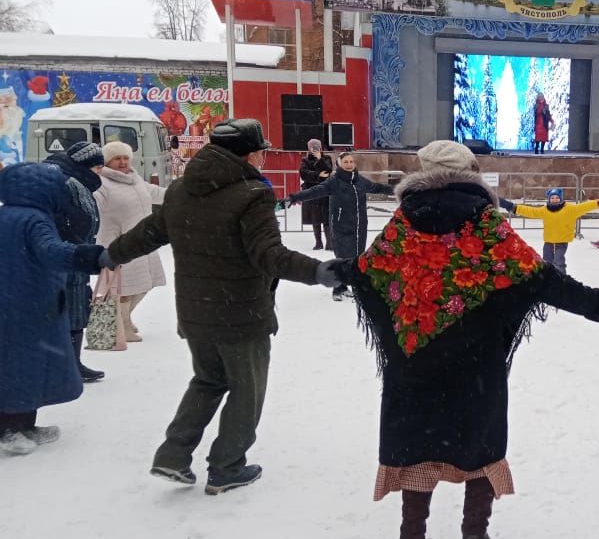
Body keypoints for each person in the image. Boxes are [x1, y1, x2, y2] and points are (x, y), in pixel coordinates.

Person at [329, 140, 599, 539]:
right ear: (470, 171)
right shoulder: (485, 222)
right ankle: (474, 537)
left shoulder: (403, 222)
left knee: (417, 449)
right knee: (480, 442)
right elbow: (540, 278)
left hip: (414, 365)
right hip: (475, 366)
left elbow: (367, 273)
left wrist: (317, 271)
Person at [103, 119, 342, 495]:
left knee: (208, 380)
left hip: (196, 312)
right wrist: (317, 271)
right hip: (240, 313)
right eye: (262, 150)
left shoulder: (181, 189)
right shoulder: (251, 194)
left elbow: (149, 233)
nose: (264, 157)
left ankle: (173, 456)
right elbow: (269, 255)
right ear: (250, 154)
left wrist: (108, 255)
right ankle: (228, 466)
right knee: (246, 390)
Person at [0, 164, 106, 455]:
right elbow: (52, 251)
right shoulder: (35, 219)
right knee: (24, 366)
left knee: (18, 365)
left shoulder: (6, 213)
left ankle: (24, 425)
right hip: (28, 303)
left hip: (15, 300)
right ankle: (10, 429)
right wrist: (90, 256)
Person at [288, 151, 394, 301]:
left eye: (351, 162)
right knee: (343, 257)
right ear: (339, 164)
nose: (349, 164)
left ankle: (356, 287)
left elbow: (377, 187)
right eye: (346, 162)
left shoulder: (359, 180)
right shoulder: (334, 181)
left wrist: (400, 189)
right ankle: (338, 288)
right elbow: (315, 191)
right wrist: (296, 197)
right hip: (340, 225)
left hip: (359, 226)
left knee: (357, 257)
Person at [44, 141, 106, 384]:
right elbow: (65, 219)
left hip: (75, 254)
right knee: (70, 307)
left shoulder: (76, 181)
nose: (100, 171)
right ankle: (67, 366)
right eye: (97, 166)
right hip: (69, 255)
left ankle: (71, 363)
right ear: (84, 165)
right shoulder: (69, 183)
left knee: (76, 305)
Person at [94, 141, 166, 342]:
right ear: (108, 162)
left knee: (144, 284)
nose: (123, 162)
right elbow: (93, 205)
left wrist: (181, 195)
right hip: (118, 243)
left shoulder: (134, 179)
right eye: (117, 158)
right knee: (124, 287)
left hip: (142, 241)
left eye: (125, 157)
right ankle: (121, 326)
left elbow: (156, 193)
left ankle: (124, 317)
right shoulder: (102, 183)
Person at [501, 187, 599, 274]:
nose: (554, 199)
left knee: (558, 262)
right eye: (552, 198)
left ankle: (561, 279)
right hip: (548, 242)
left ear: (561, 198)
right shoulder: (545, 210)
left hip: (561, 242)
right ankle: (548, 280)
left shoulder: (570, 210)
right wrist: (513, 207)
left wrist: (597, 203)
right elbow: (530, 211)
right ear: (549, 199)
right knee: (547, 262)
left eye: (557, 197)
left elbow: (584, 206)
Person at [299, 138, 334, 250]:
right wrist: (318, 176)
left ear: (321, 148)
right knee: (315, 219)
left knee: (326, 218)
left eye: (317, 147)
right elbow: (304, 174)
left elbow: (328, 171)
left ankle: (329, 242)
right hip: (312, 192)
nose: (314, 149)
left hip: (325, 192)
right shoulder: (305, 160)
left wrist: (320, 160)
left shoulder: (326, 158)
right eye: (312, 147)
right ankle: (318, 242)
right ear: (308, 148)